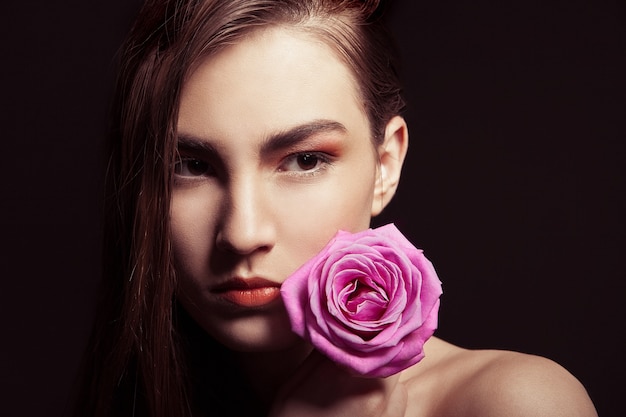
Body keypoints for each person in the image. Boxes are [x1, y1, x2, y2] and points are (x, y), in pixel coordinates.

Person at [72, 0, 598, 416]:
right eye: (189, 165)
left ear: (385, 164)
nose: (242, 232)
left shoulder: (513, 405)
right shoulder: (131, 395)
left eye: (303, 160)